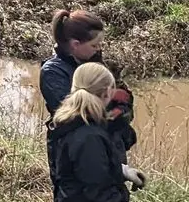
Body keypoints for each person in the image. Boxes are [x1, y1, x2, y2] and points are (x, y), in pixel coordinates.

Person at [47, 62, 146, 202]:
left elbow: (88, 172)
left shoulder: (74, 122)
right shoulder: (89, 137)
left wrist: (122, 171)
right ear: (107, 93)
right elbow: (98, 193)